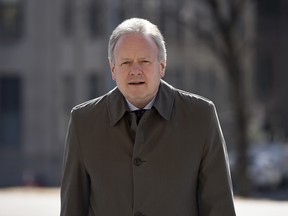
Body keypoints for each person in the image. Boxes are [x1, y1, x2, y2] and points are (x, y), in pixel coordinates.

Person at [60, 17, 236, 216]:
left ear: (162, 66)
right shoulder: (84, 122)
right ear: (113, 69)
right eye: (126, 62)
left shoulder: (200, 116)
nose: (135, 71)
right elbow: (72, 209)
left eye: (144, 61)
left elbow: (220, 208)